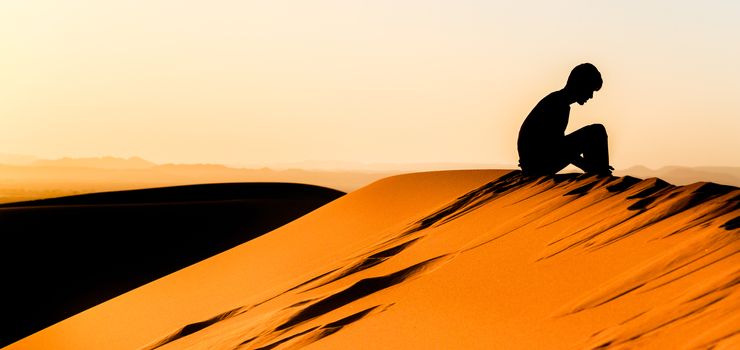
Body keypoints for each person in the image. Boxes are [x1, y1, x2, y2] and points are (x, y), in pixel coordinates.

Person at [517, 63, 613, 176]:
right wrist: (586, 165)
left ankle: (599, 172)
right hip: (537, 164)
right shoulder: (558, 104)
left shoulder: (558, 101)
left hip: (535, 163)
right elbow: (556, 147)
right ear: (580, 85)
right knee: (596, 131)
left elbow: (558, 146)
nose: (591, 96)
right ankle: (601, 175)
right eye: (590, 90)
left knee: (594, 132)